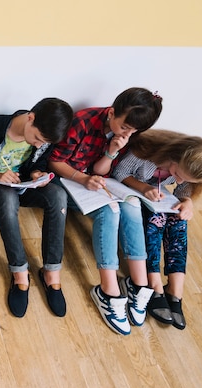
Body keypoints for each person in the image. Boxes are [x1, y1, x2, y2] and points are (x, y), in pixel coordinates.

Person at [48, 87, 163, 335]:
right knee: (109, 210)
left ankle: (138, 283)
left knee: (132, 205)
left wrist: (112, 151)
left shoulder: (124, 135)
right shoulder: (83, 121)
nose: (128, 134)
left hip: (97, 180)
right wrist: (82, 178)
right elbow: (54, 161)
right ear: (111, 113)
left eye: (133, 131)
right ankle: (108, 290)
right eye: (125, 127)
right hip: (68, 179)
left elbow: (101, 171)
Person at [112, 130, 202, 329]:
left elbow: (182, 192)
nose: (178, 181)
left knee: (178, 220)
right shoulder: (145, 151)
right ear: (174, 157)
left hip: (154, 198)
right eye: (177, 174)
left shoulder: (189, 171)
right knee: (158, 218)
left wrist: (187, 202)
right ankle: (153, 283)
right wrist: (143, 188)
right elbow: (119, 172)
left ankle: (174, 291)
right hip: (129, 194)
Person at [0, 98, 73, 318]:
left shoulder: (43, 138)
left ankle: (51, 273)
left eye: (42, 142)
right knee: (7, 199)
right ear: (30, 118)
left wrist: (37, 174)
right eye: (36, 138)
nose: (37, 144)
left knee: (58, 196)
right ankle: (19, 273)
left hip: (22, 185)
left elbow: (38, 164)